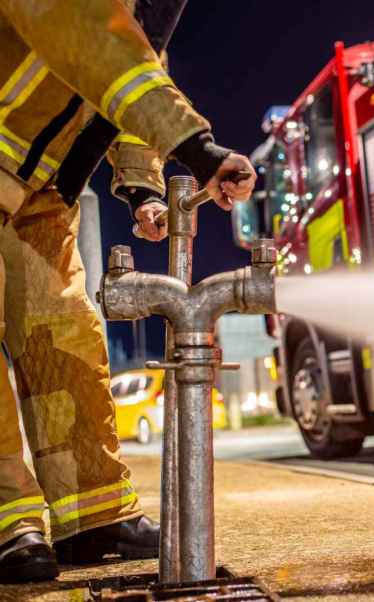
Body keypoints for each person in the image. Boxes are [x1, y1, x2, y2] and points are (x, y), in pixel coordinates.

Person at [0, 0, 256, 583]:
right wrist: (196, 144)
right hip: (16, 161)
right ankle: (9, 524)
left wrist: (141, 187)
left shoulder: (137, 12)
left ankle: (92, 515)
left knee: (62, 332)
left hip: (36, 183)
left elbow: (130, 69)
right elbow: (95, 43)